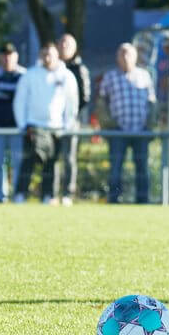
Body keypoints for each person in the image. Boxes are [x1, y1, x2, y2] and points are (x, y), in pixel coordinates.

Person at [12, 42, 79, 204]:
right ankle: (21, 194)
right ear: (40, 56)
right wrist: (23, 124)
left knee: (51, 163)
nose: (47, 58)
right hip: (33, 126)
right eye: (44, 54)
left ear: (57, 55)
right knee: (29, 160)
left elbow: (72, 103)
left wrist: (66, 125)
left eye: (51, 54)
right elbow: (20, 101)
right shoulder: (30, 75)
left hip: (56, 128)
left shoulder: (66, 76)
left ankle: (48, 196)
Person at [98, 43, 156, 204]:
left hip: (141, 131)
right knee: (116, 169)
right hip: (118, 131)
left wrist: (150, 126)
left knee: (142, 169)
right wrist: (108, 125)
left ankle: (143, 201)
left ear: (135, 56)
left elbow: (152, 103)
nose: (125, 57)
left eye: (128, 53)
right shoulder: (110, 77)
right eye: (122, 54)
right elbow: (101, 104)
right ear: (117, 57)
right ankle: (114, 200)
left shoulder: (144, 76)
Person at [0, 42, 25, 203]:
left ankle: (17, 196)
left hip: (18, 127)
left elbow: (22, 95)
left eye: (10, 55)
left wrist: (5, 90)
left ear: (16, 56)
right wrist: (12, 92)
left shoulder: (24, 75)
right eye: (4, 55)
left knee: (17, 163)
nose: (7, 58)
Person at [55, 33, 91, 206]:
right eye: (61, 44)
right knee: (52, 157)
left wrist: (70, 114)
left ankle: (68, 192)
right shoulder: (51, 68)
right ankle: (51, 192)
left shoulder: (79, 69)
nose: (64, 47)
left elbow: (84, 97)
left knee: (69, 158)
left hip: (71, 121)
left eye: (68, 44)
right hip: (51, 121)